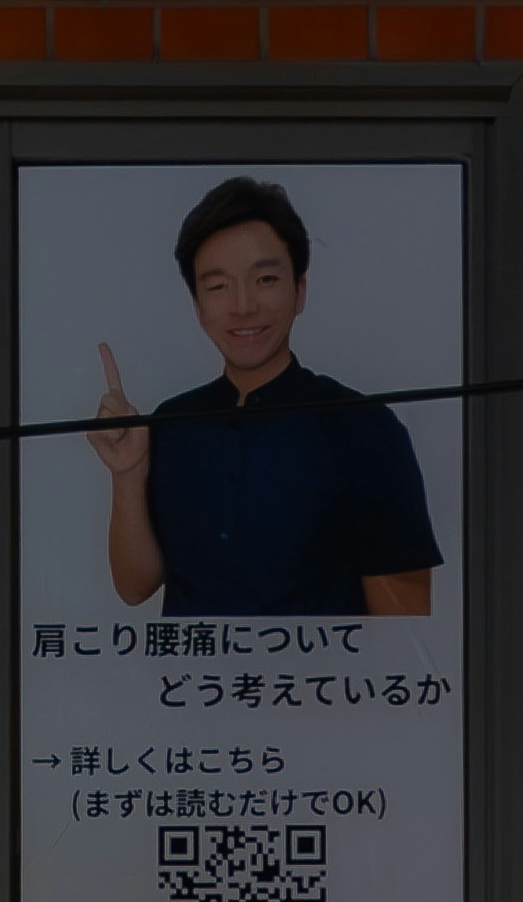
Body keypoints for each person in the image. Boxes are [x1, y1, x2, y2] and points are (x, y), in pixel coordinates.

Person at [88, 178, 440, 621]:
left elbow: (405, 623)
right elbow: (135, 586)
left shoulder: (362, 427)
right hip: (194, 689)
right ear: (198, 306)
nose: (243, 305)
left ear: (300, 290)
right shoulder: (172, 423)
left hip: (317, 688)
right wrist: (128, 473)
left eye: (266, 279)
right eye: (217, 286)